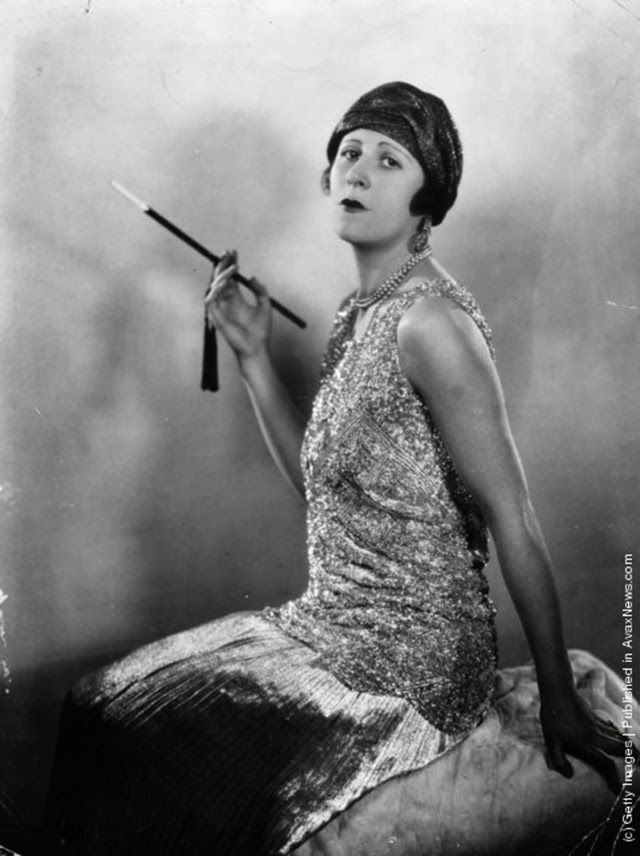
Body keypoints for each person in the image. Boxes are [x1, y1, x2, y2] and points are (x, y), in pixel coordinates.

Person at [45, 82, 634, 856]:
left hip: (413, 666)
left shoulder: (433, 323)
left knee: (143, 738)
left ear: (427, 202)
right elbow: (321, 489)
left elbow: (513, 517)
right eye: (349, 153)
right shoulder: (358, 316)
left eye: (388, 160)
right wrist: (253, 357)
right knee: (103, 709)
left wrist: (557, 695)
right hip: (326, 629)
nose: (357, 169)